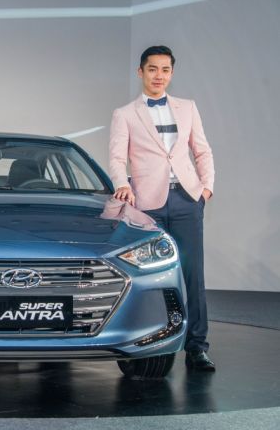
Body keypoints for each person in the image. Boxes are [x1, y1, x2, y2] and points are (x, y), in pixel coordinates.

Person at [109, 45, 216, 371]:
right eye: (153, 69)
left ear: (171, 73)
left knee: (193, 274)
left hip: (186, 198)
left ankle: (197, 348)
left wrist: (206, 189)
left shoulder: (187, 107)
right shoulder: (125, 114)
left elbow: (202, 150)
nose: (159, 76)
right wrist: (122, 185)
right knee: (150, 276)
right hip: (147, 204)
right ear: (140, 72)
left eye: (165, 70)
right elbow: (117, 158)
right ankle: (150, 342)